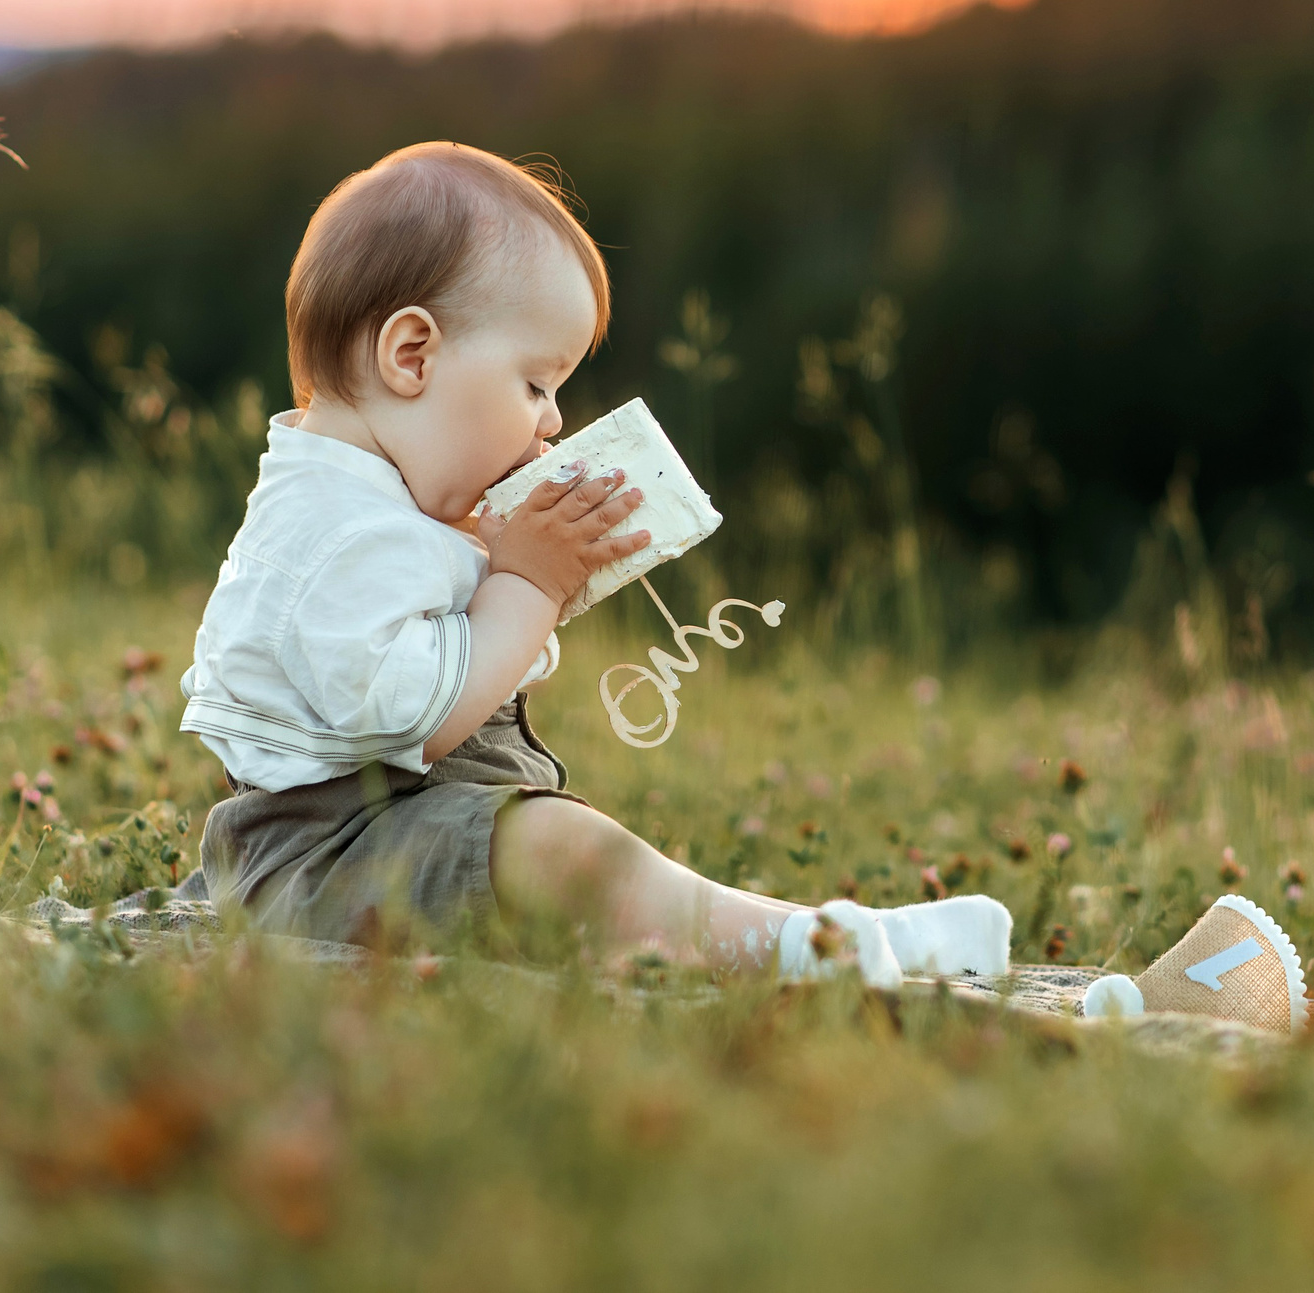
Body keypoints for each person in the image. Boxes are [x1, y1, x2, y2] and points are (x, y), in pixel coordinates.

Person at [181, 141, 1011, 985]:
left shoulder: (384, 502)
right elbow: (416, 721)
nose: (552, 420)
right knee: (564, 848)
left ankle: (821, 933)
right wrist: (528, 582)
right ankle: (797, 948)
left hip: (400, 836)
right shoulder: (332, 532)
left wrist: (523, 565)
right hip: (326, 861)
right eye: (536, 385)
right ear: (413, 356)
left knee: (576, 858)